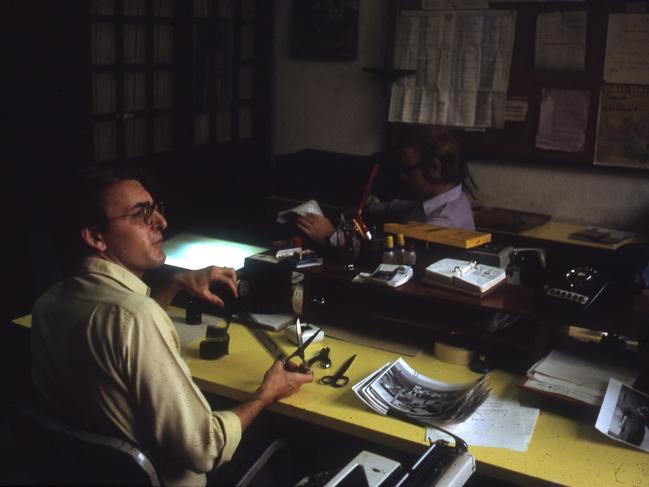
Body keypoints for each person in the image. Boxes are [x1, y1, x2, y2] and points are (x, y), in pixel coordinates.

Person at [30, 163, 313, 486]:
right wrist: (265, 394)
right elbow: (203, 449)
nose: (161, 222)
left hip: (89, 475)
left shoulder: (48, 303)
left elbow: (120, 341)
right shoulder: (136, 317)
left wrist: (175, 285)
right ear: (96, 237)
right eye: (140, 214)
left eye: (155, 209)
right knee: (285, 436)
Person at [295, 126, 476, 246]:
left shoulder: (443, 222)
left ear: (435, 168)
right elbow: (399, 207)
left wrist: (331, 235)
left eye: (408, 169)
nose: (402, 176)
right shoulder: (444, 199)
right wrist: (366, 209)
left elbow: (388, 255)